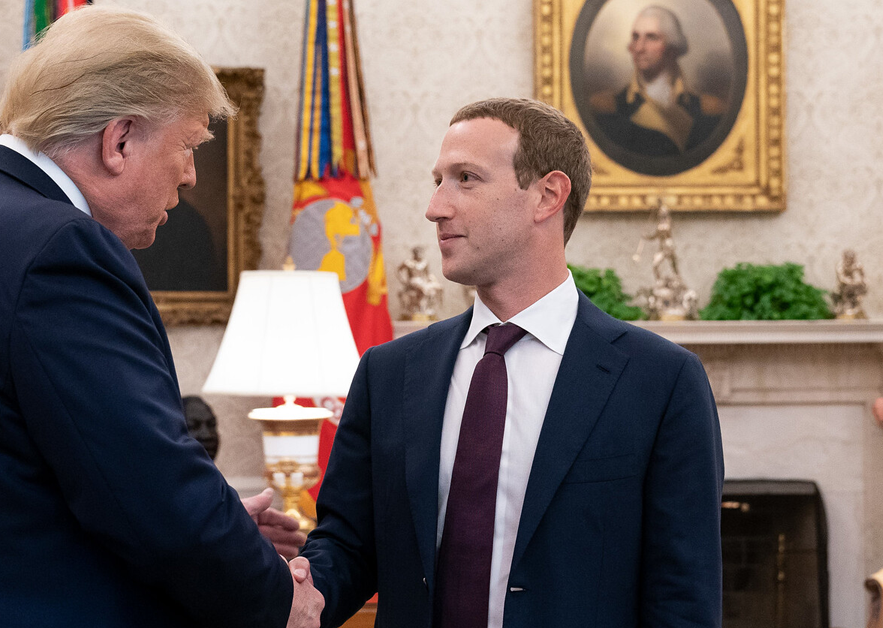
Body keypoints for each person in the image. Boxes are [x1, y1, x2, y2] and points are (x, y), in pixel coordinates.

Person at [0, 6, 319, 628]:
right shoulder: (59, 249)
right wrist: (277, 599)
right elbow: (150, 498)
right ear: (120, 139)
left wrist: (219, 523)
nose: (190, 176)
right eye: (187, 146)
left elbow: (0, 478)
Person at [299, 98, 723, 627]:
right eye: (438, 180)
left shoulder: (661, 381)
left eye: (466, 179)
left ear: (548, 195)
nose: (435, 206)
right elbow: (349, 546)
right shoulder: (390, 372)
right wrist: (291, 588)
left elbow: (683, 598)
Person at [591, 5, 725, 156]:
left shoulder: (707, 110)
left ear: (671, 48)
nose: (639, 47)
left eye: (651, 37)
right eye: (636, 37)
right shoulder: (608, 109)